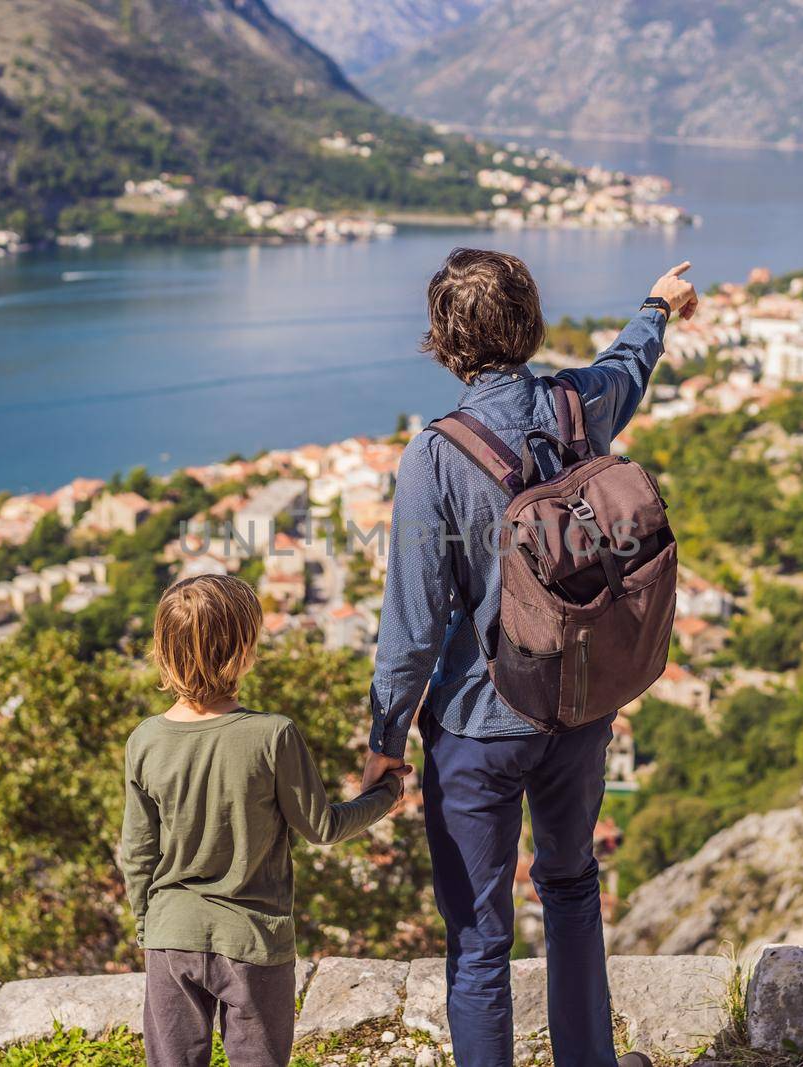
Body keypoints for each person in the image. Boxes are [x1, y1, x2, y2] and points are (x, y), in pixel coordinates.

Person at [361, 249, 698, 1067]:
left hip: (479, 723)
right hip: (580, 704)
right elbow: (628, 366)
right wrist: (656, 307)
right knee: (574, 887)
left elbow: (411, 624)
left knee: (480, 937)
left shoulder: (436, 455)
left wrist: (384, 738)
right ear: (530, 320)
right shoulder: (578, 406)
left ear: (444, 340)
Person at [120, 574, 408, 1067]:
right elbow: (323, 828)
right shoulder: (273, 736)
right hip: (255, 939)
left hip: (171, 935)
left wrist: (150, 927)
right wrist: (386, 794)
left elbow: (137, 852)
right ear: (243, 652)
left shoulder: (144, 740)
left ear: (162, 652)